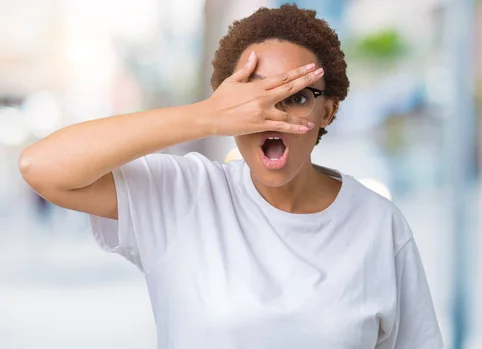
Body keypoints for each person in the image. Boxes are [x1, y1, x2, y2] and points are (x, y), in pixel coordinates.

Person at [19, 4, 443, 349]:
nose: (270, 114)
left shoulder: (379, 225)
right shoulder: (183, 195)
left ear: (326, 111)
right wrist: (205, 116)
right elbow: (42, 167)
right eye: (252, 98)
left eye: (294, 97)